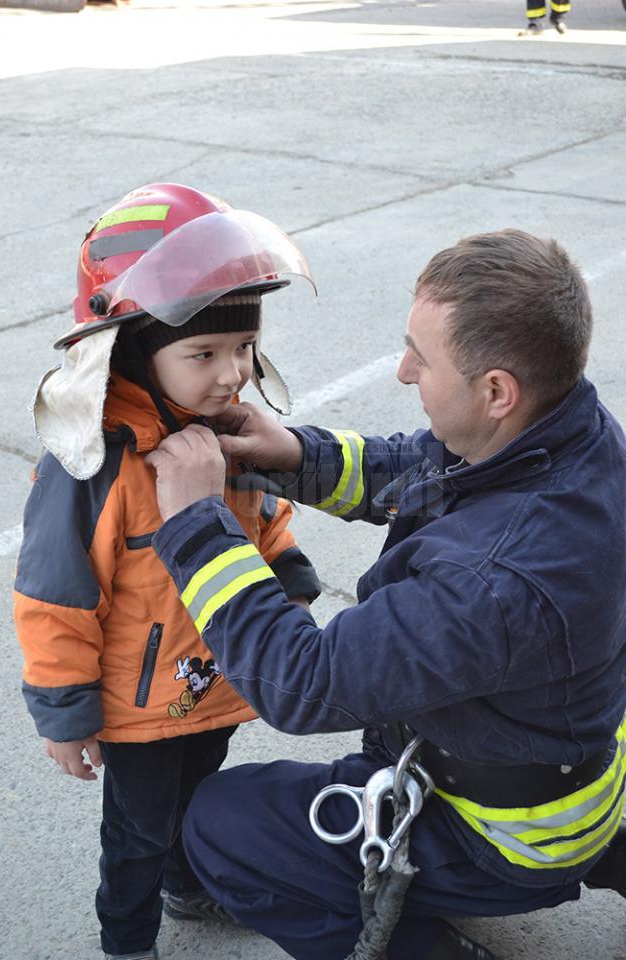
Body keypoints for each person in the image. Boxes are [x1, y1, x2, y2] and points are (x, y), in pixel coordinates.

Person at [145, 229, 626, 960]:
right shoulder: (575, 433)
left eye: (421, 358)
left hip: (512, 829)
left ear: (498, 390)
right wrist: (296, 455)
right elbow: (429, 468)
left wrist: (196, 528)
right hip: (568, 753)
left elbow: (301, 682)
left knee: (219, 824)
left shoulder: (492, 582)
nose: (402, 371)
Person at [13, 182, 321, 960]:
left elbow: (261, 518)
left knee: (201, 800)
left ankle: (190, 888)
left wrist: (289, 572)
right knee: (139, 830)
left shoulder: (220, 431)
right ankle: (127, 940)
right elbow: (54, 596)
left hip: (215, 678)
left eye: (245, 348)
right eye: (205, 354)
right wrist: (64, 710)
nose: (233, 374)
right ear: (134, 350)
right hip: (139, 706)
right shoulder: (96, 467)